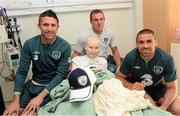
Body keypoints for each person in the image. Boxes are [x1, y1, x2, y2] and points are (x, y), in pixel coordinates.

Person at [3, 9, 71, 115]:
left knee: (28, 114)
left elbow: (61, 75)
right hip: (33, 85)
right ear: (39, 25)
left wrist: (40, 97)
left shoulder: (65, 46)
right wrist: (15, 100)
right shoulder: (30, 44)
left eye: (53, 25)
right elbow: (21, 71)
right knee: (12, 112)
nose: (49, 29)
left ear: (58, 27)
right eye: (45, 25)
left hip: (51, 88)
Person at [117, 29, 180, 115]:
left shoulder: (167, 59)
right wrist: (130, 85)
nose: (145, 46)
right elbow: (119, 77)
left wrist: (164, 107)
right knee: (153, 110)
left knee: (178, 108)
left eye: (149, 41)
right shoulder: (130, 57)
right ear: (137, 45)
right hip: (140, 89)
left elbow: (172, 87)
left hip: (158, 88)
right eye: (141, 42)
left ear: (155, 42)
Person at [72, 9, 121, 74]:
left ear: (104, 20)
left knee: (120, 71)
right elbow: (76, 54)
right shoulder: (83, 36)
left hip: (104, 61)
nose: (99, 22)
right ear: (91, 22)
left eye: (101, 19)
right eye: (96, 20)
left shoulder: (110, 33)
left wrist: (119, 67)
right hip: (89, 62)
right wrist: (75, 69)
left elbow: (115, 51)